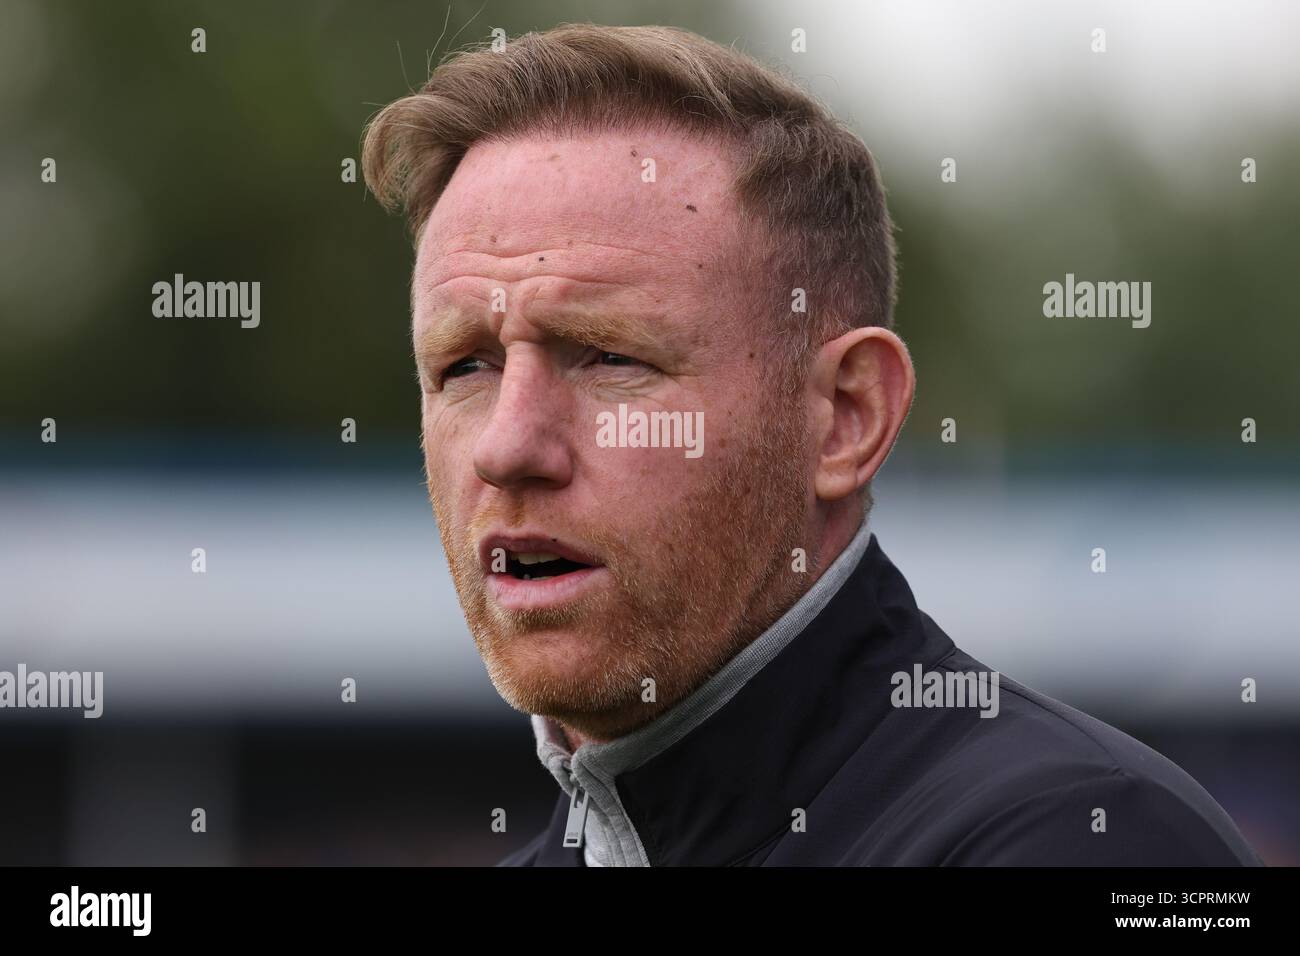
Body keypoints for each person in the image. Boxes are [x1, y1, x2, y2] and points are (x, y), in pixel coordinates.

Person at [361, 23, 1262, 866]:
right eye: (465, 367)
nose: (509, 447)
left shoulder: (1089, 840)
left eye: (609, 357)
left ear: (846, 416)